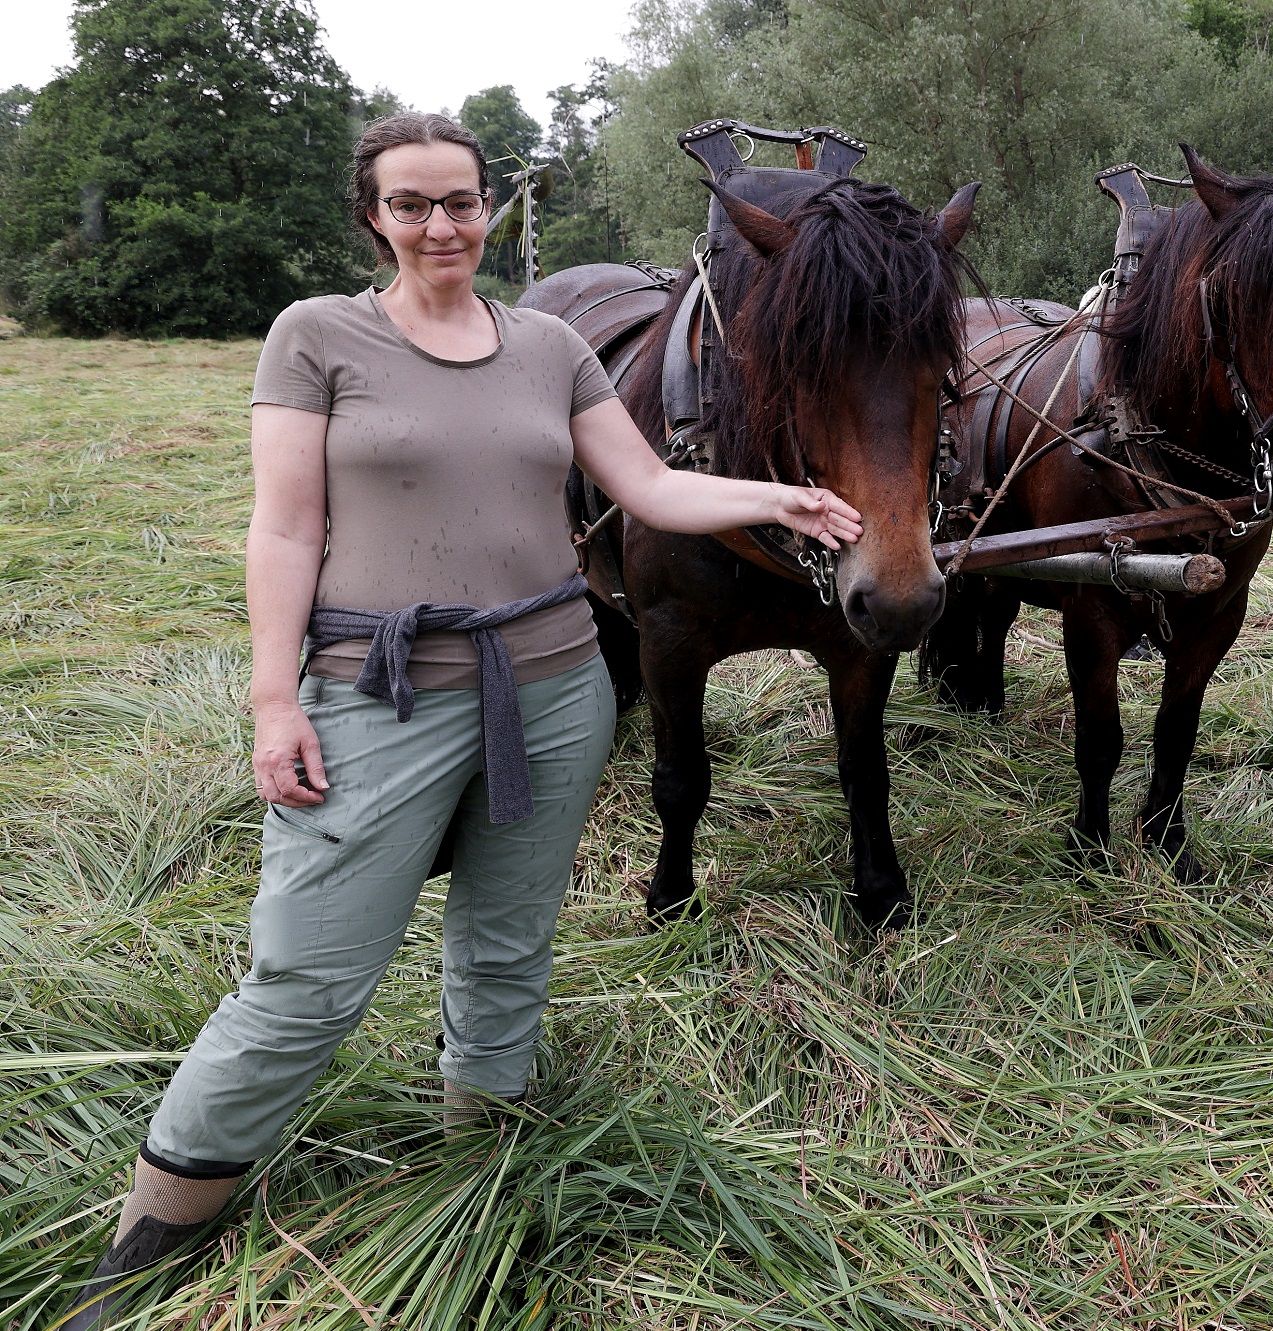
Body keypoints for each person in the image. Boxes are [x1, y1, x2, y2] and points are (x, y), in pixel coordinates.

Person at [55, 112, 863, 1329]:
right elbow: (279, 529)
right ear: (374, 215)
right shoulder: (317, 336)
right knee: (307, 977)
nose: (443, 225)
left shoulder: (547, 346)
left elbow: (644, 484)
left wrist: (787, 497)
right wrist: (273, 701)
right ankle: (160, 1221)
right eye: (413, 204)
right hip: (370, 691)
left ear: (491, 208)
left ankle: (486, 1143)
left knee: (507, 940)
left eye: (463, 201)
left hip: (550, 692)